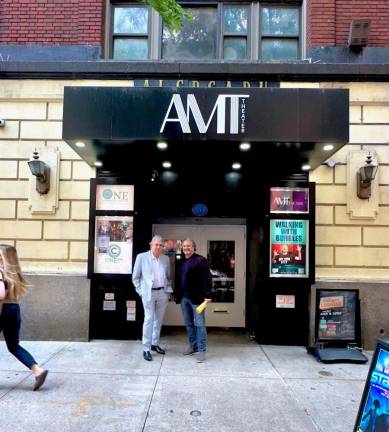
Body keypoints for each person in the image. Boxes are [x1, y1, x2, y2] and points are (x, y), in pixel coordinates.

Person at [0, 244, 48, 391]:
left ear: (3, 259)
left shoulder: (1, 273)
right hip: (14, 310)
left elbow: (1, 295)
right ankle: (37, 371)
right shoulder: (15, 274)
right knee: (14, 345)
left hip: (2, 310)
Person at [132, 235, 172, 361]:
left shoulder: (165, 259)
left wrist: (167, 292)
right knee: (149, 319)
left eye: (161, 245)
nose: (158, 247)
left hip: (162, 293)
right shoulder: (141, 257)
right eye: (156, 244)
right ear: (151, 245)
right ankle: (146, 348)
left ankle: (155, 344)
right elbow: (135, 277)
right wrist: (141, 292)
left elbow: (168, 276)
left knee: (158, 320)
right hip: (148, 293)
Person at [175, 238, 212, 363]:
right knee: (189, 324)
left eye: (189, 246)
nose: (186, 248)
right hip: (184, 298)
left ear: (194, 247)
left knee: (200, 325)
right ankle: (193, 347)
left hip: (197, 299)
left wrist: (208, 295)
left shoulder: (200, 260)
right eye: (184, 246)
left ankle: (201, 351)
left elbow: (207, 279)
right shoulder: (181, 261)